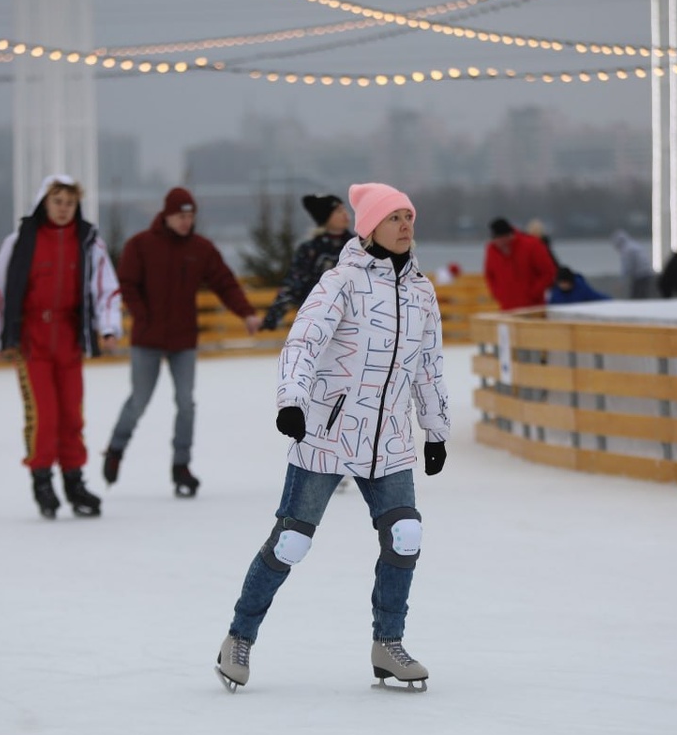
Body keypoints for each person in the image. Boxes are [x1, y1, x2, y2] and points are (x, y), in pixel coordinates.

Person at [215, 182, 450, 694]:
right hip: (327, 433)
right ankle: (239, 637)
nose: (405, 225)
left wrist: (435, 429)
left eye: (409, 216)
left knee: (405, 535)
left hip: (389, 439)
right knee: (291, 541)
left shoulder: (421, 291)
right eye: (393, 217)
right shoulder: (340, 282)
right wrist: (291, 400)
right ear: (369, 227)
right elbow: (303, 342)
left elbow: (429, 365)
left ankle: (388, 643)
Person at [101, 186, 260, 497]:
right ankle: (115, 449)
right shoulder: (141, 245)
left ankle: (181, 465)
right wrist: (142, 316)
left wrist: (246, 313)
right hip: (147, 339)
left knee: (186, 403)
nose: (186, 222)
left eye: (190, 216)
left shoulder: (200, 249)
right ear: (167, 215)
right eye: (180, 216)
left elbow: (225, 283)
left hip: (183, 340)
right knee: (139, 401)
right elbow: (127, 284)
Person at [0, 174, 121, 520]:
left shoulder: (88, 243)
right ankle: (42, 480)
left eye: (70, 203)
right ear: (44, 203)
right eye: (57, 202)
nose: (63, 209)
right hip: (33, 342)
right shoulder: (20, 242)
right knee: (44, 415)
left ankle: (74, 481)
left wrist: (108, 327)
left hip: (69, 339)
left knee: (72, 415)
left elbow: (106, 287)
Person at [259, 193, 354, 331]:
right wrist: (271, 319)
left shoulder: (358, 246)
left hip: (353, 319)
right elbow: (292, 286)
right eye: (338, 211)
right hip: (317, 319)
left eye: (345, 209)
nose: (345, 214)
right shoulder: (310, 250)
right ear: (326, 217)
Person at [483, 217, 557, 311]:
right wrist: (498, 294)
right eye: (495, 239)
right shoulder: (491, 250)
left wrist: (533, 293)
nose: (498, 243)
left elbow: (549, 272)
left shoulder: (532, 245)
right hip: (507, 308)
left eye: (500, 239)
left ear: (508, 236)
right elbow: (490, 275)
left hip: (533, 308)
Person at [611, 229, 656, 299]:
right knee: (643, 295)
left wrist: (621, 281)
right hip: (647, 274)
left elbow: (627, 267)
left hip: (640, 276)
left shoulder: (626, 250)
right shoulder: (633, 245)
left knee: (637, 297)